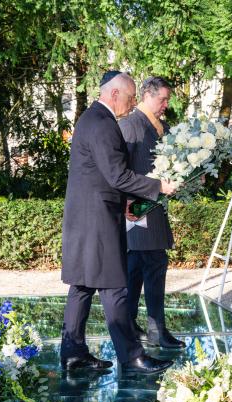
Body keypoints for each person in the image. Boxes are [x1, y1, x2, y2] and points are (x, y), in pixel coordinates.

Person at [60, 71, 177, 375]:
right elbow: (117, 175)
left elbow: (105, 174)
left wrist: (133, 197)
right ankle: (132, 357)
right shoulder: (103, 124)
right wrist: (158, 187)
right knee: (114, 288)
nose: (133, 101)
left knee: (82, 287)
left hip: (85, 218)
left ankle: (73, 353)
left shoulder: (91, 119)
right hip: (98, 221)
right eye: (130, 95)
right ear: (114, 94)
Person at [120, 76, 185, 349]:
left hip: (155, 206)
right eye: (163, 99)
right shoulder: (129, 125)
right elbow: (120, 172)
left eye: (168, 100)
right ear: (147, 95)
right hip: (136, 206)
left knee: (139, 267)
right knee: (152, 265)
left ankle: (131, 325)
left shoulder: (164, 128)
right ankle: (154, 330)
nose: (166, 105)